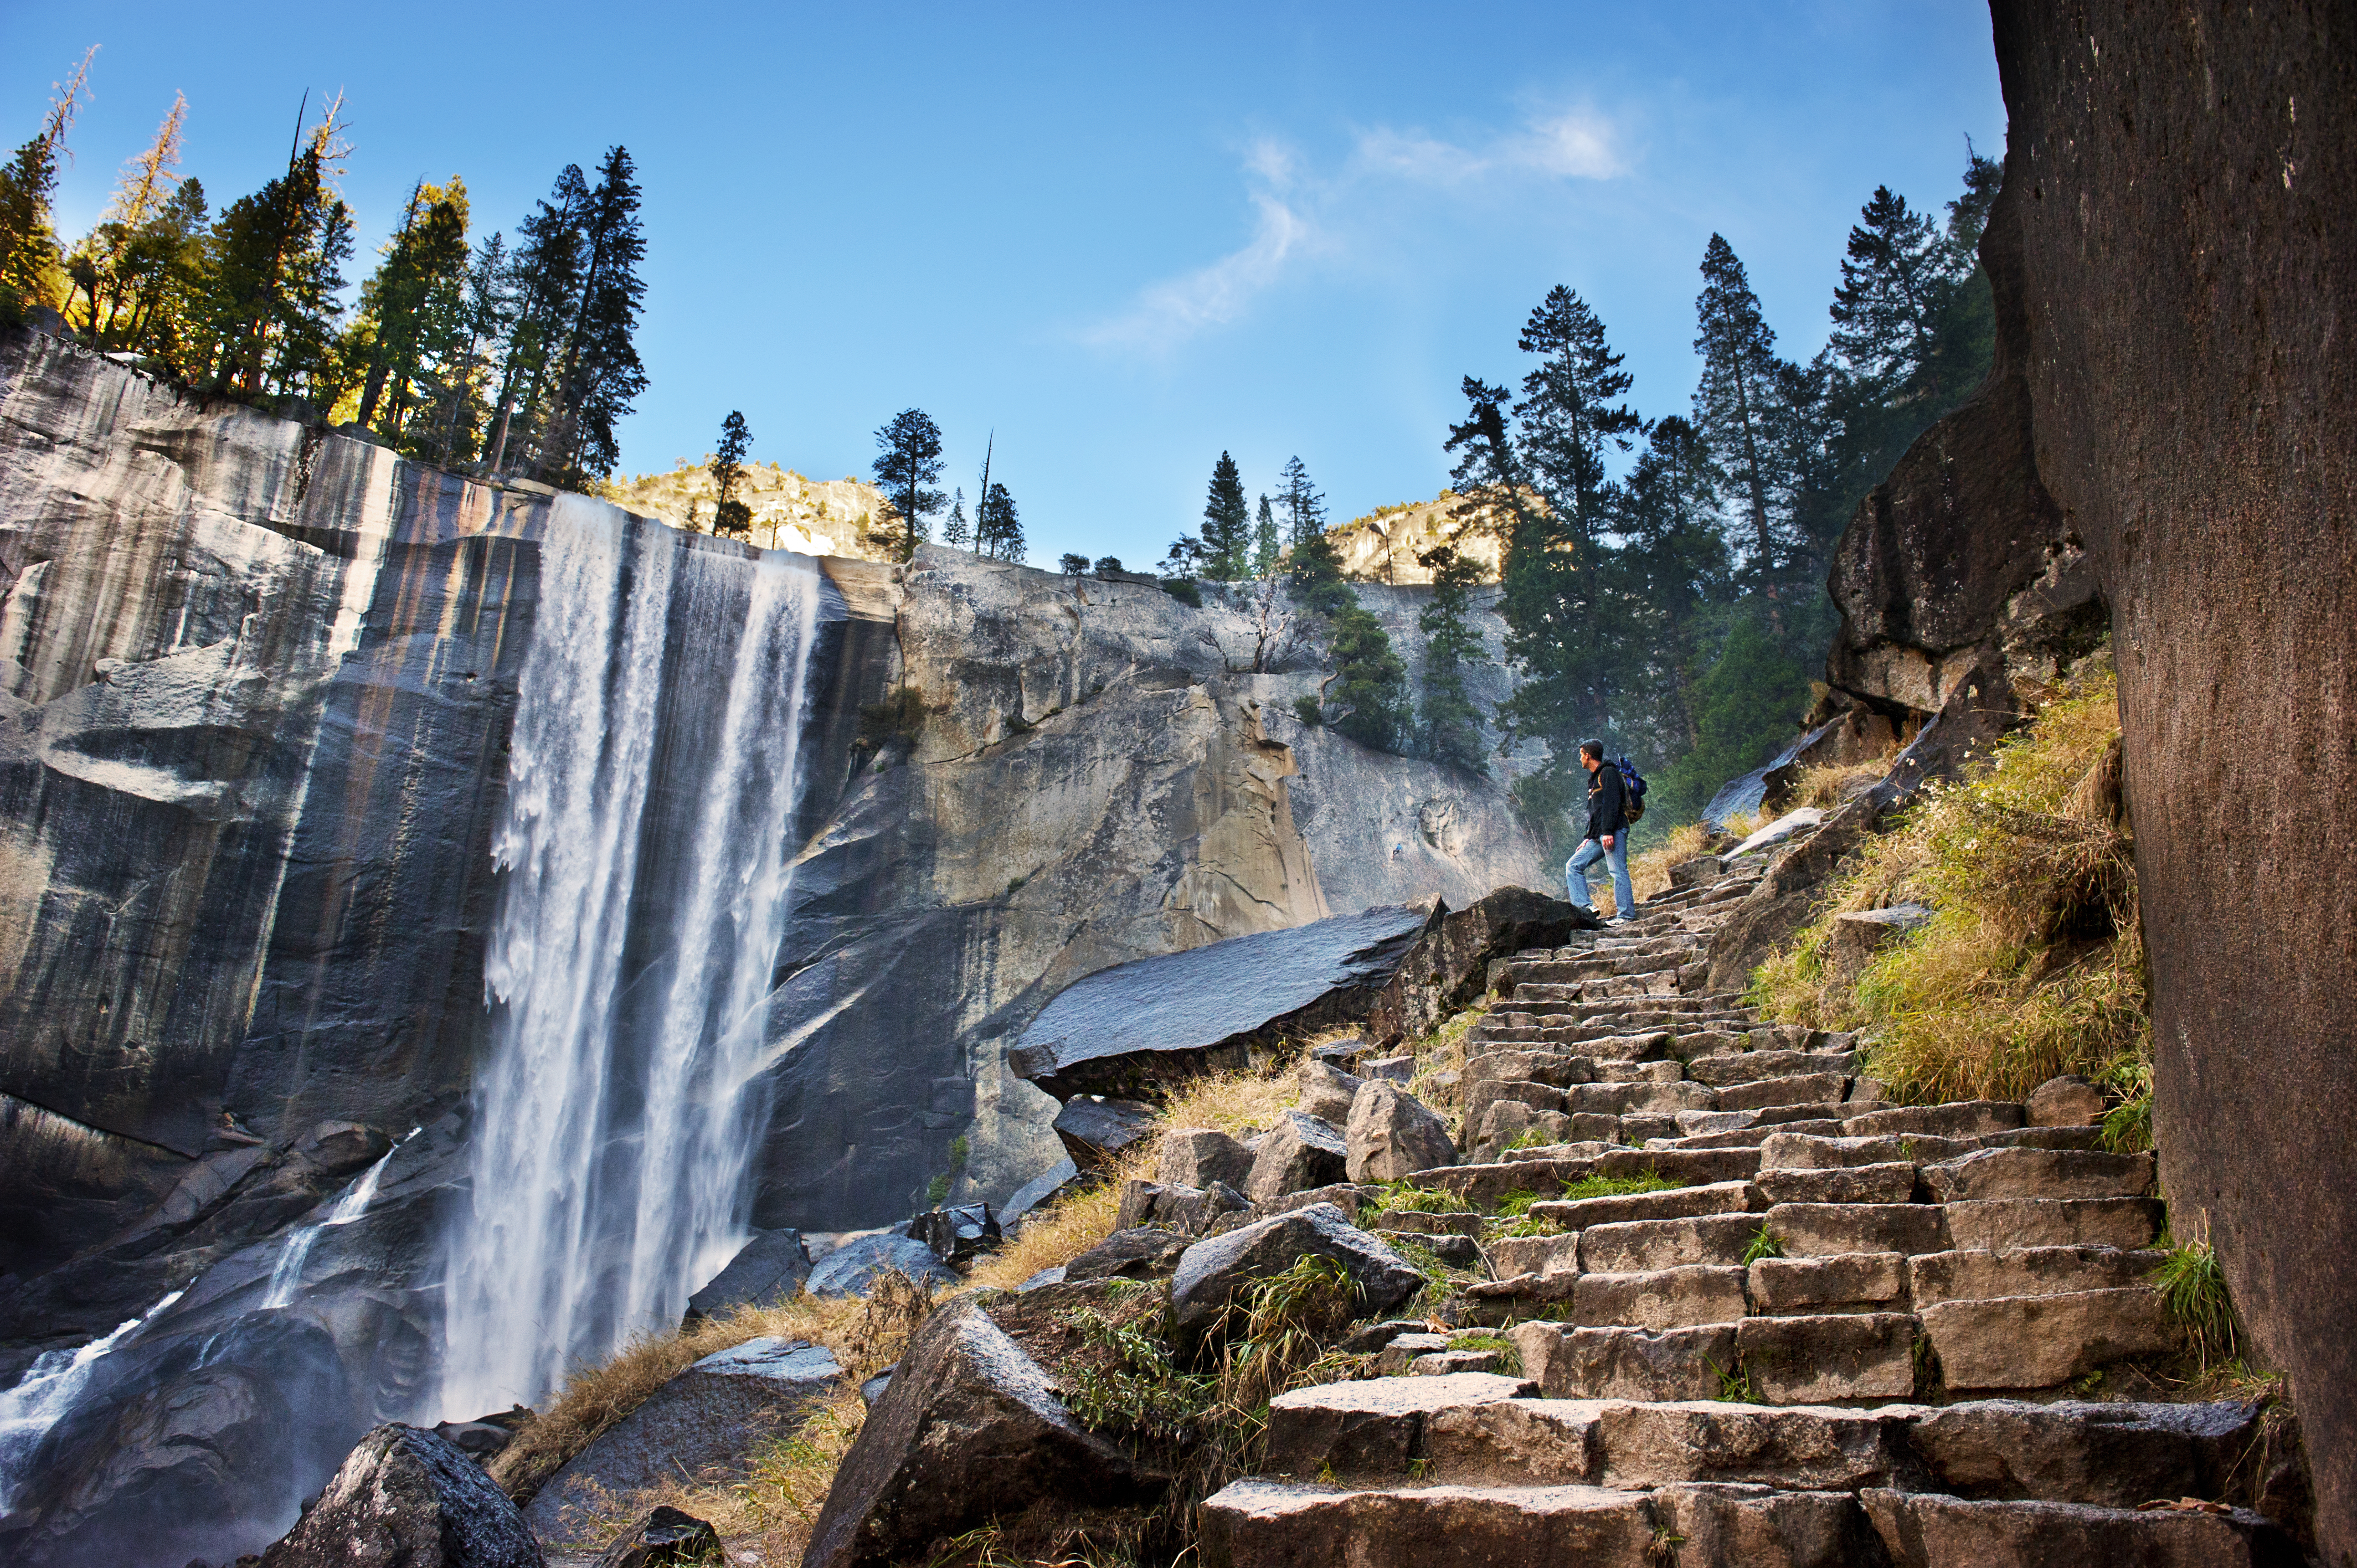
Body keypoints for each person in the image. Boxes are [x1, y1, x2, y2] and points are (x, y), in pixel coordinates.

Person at [1565, 739, 1637, 922]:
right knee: (1573, 866)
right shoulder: (1595, 778)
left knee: (1618, 871)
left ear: (1588, 755)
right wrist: (1589, 837)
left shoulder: (1608, 773)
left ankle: (1626, 915)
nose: (1580, 759)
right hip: (1599, 835)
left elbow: (1611, 804)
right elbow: (1596, 813)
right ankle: (1586, 908)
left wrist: (1607, 832)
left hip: (1614, 831)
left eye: (1581, 755)